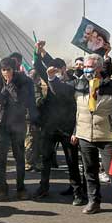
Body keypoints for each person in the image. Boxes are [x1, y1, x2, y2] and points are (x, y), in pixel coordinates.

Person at [67, 54, 112, 218]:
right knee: (90, 172)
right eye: (84, 67)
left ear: (99, 68)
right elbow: (74, 110)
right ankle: (94, 202)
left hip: (108, 136)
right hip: (85, 136)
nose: (86, 69)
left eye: (89, 66)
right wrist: (75, 131)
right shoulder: (78, 85)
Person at [0, 32, 39, 201]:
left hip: (17, 125)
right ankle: (1, 188)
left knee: (19, 158)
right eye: (3, 70)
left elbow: (23, 101)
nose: (5, 72)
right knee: (0, 159)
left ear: (14, 69)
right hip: (0, 126)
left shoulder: (24, 82)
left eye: (8, 70)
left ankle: (21, 188)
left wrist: (10, 85)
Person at [33, 41, 86, 205]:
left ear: (64, 69)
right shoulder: (50, 80)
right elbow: (40, 68)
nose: (54, 72)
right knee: (46, 159)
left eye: (58, 69)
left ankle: (77, 192)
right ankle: (43, 187)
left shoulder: (73, 82)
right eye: (52, 70)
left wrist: (51, 76)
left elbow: (59, 88)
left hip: (67, 128)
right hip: (50, 127)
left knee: (72, 161)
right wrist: (39, 52)